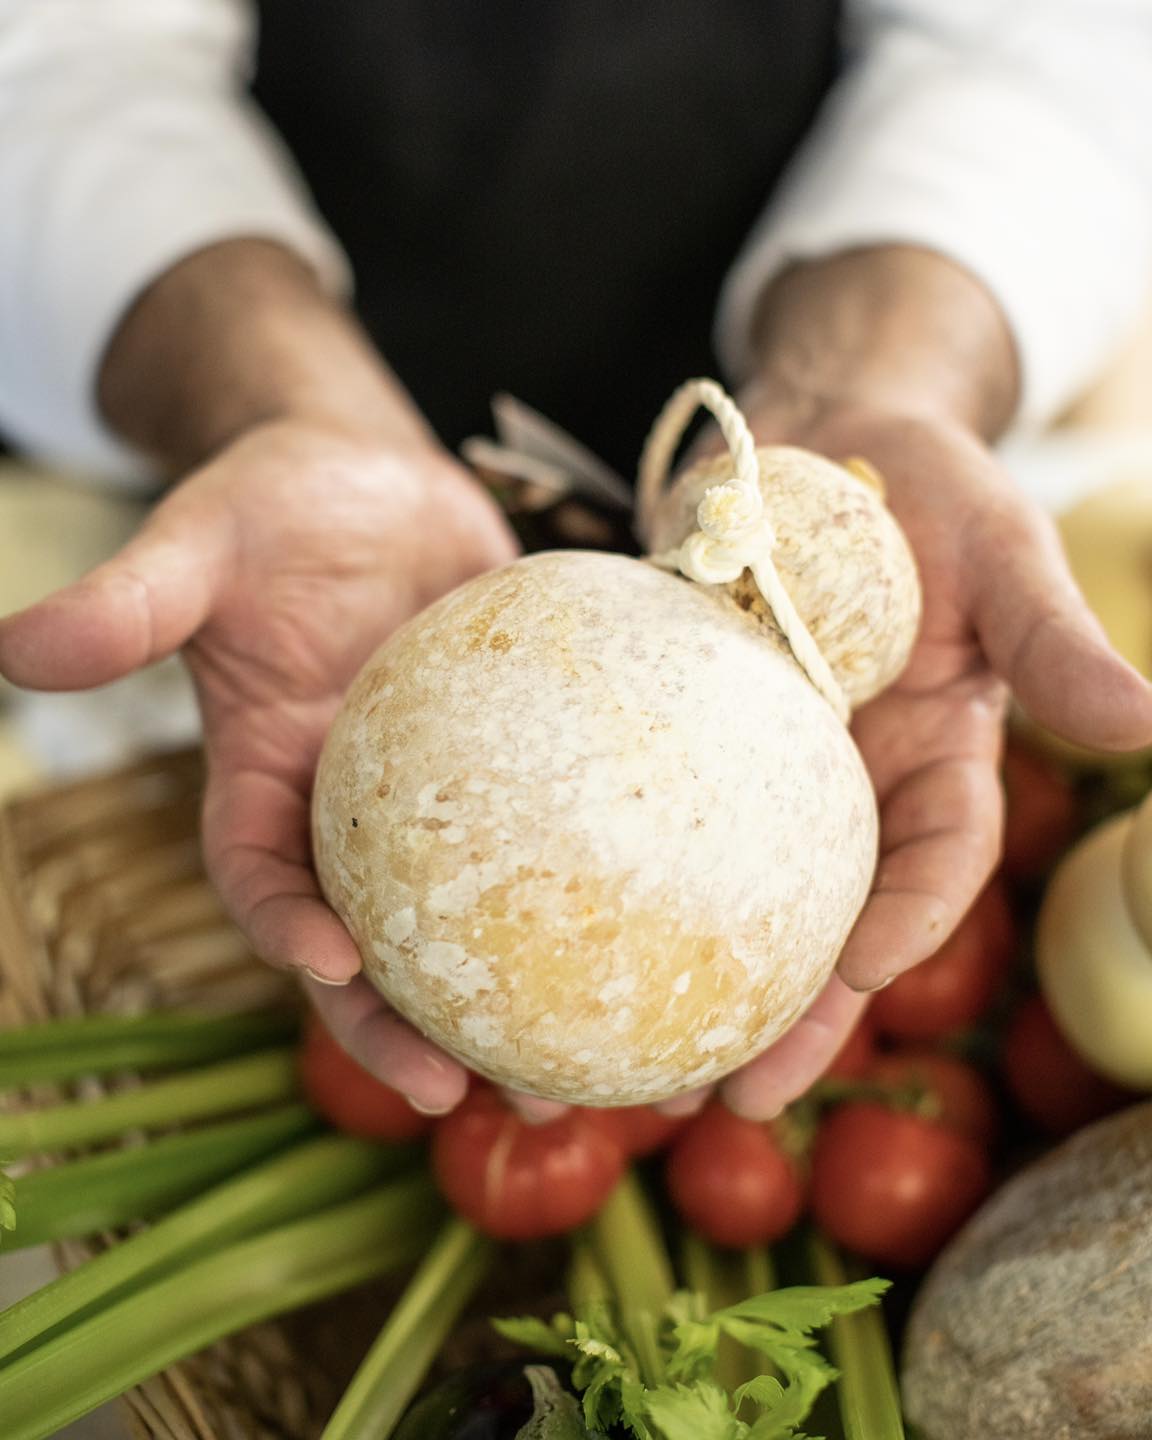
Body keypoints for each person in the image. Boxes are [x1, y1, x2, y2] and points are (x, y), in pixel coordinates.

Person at [0, 1, 1150, 1123]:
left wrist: (884, 373)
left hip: (780, 340)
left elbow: (1054, 41)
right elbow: (56, 54)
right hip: (296, 359)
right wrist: (267, 395)